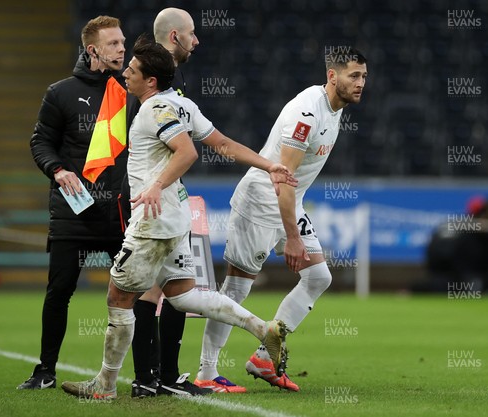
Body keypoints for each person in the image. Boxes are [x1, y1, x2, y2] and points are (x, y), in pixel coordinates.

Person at [60, 35, 297, 400]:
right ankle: (263, 328)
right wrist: (269, 166)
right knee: (183, 296)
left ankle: (104, 386)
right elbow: (222, 144)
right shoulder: (182, 104)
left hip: (152, 222)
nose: (126, 73)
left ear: (150, 81)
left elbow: (187, 153)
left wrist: (155, 185)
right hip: (177, 219)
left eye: (133, 70)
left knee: (118, 297)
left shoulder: (155, 110)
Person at [194, 48, 368, 392]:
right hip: (262, 201)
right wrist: (292, 237)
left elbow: (292, 187)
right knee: (236, 290)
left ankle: (263, 358)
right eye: (354, 76)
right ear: (332, 76)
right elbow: (282, 179)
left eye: (364, 76)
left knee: (318, 277)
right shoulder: (308, 113)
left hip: (291, 202)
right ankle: (207, 372)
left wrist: (293, 228)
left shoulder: (336, 109)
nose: (361, 83)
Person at [17, 16, 127, 390]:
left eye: (123, 42)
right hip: (73, 211)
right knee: (59, 291)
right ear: (93, 50)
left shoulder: (132, 92)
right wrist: (58, 169)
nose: (122, 49)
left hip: (119, 213)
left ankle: (149, 377)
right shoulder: (60, 92)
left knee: (139, 294)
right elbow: (40, 142)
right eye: (113, 44)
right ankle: (45, 371)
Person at [125, 8, 207, 398]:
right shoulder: (144, 79)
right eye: (192, 34)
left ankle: (160, 377)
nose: (197, 41)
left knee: (169, 287)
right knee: (151, 289)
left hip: (167, 198)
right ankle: (148, 377)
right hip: (147, 199)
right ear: (174, 37)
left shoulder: (171, 86)